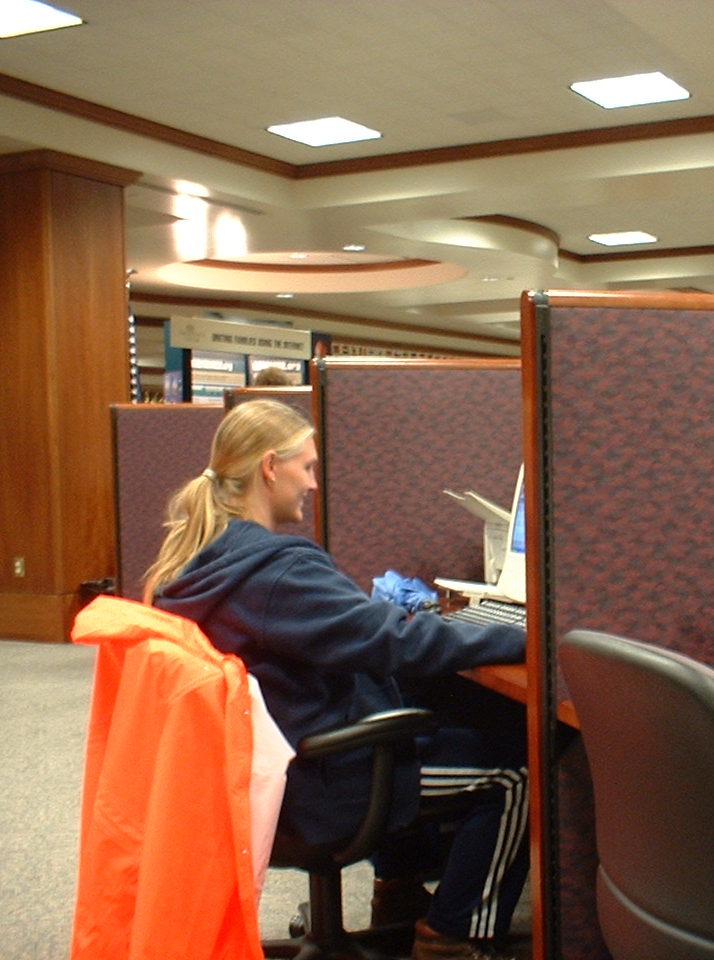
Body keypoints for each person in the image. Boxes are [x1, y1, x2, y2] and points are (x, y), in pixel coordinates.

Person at [143, 399, 530, 960]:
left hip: (267, 767)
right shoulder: (278, 572)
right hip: (317, 782)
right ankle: (453, 935)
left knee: (422, 708)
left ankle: (397, 893)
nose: (313, 484)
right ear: (270, 467)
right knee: (515, 769)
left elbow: (363, 636)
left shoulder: (206, 560)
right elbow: (396, 641)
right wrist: (528, 635)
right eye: (307, 467)